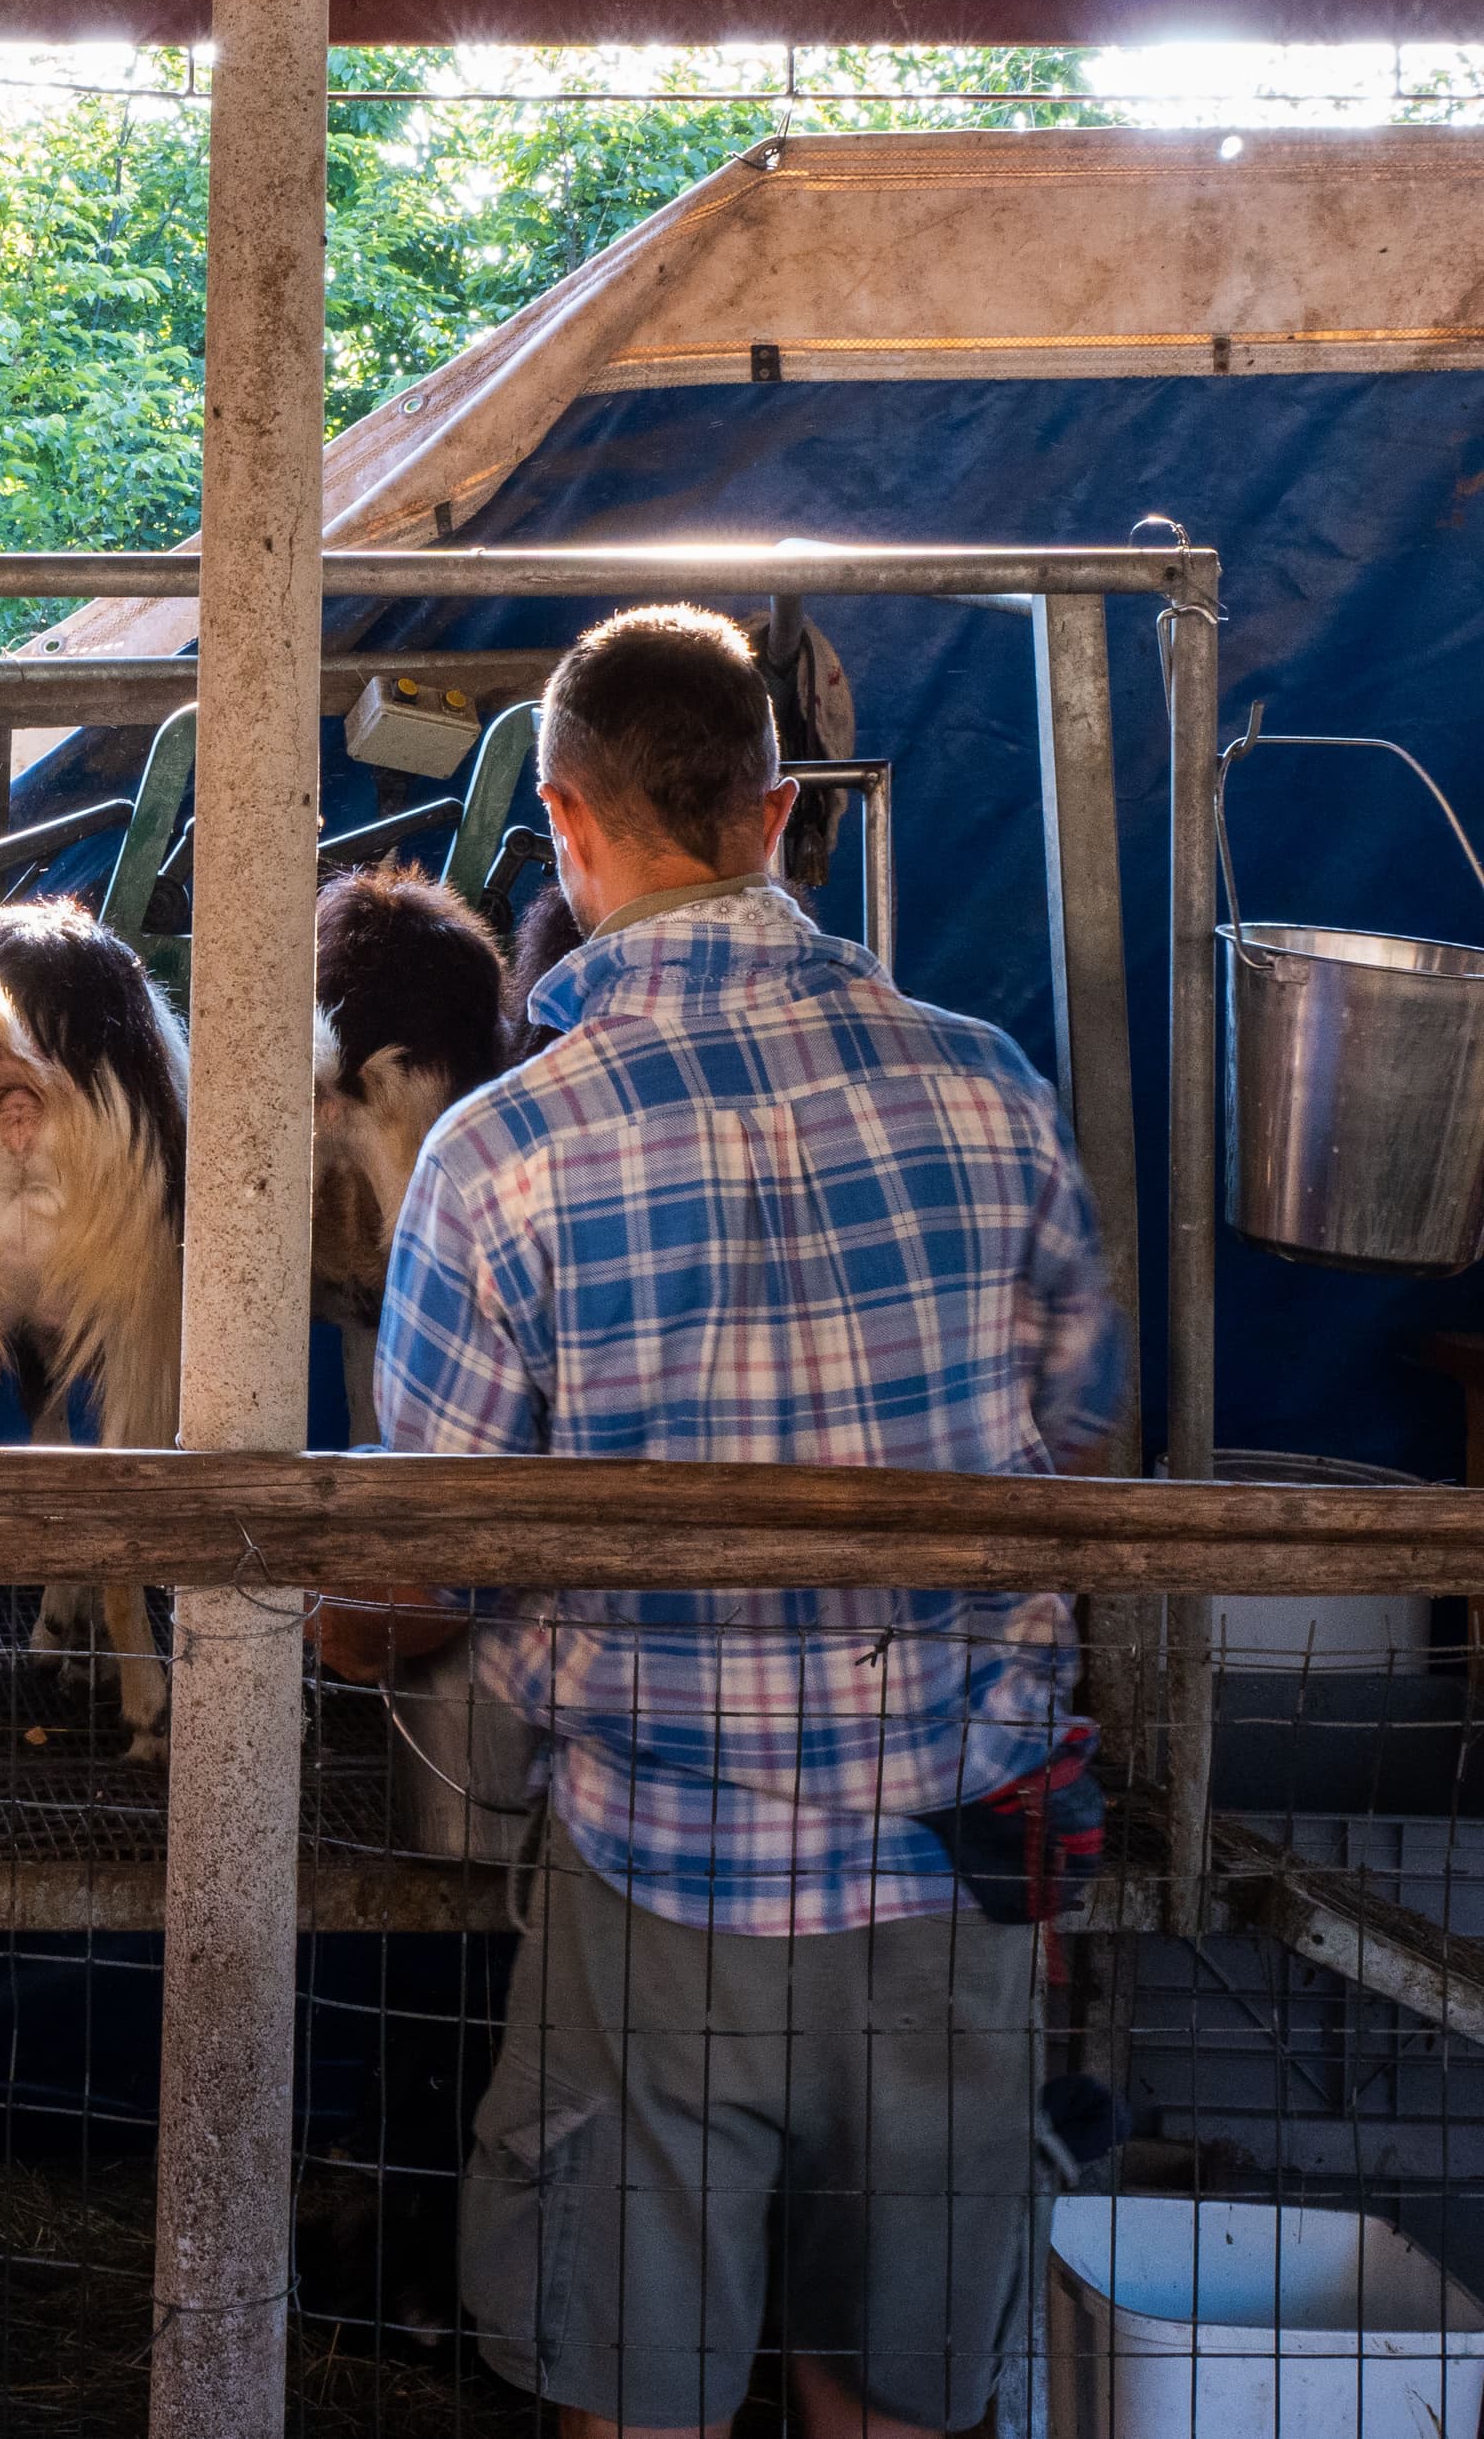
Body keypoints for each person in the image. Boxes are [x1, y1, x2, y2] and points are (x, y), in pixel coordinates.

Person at [316, 603, 1124, 2439]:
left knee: (645, 2403)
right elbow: (1082, 1456)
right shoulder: (992, 1089)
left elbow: (419, 1565)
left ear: (566, 824)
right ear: (777, 813)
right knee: (897, 2406)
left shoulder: (507, 1152)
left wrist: (344, 1625)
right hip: (954, 1890)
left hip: (667, 1883)